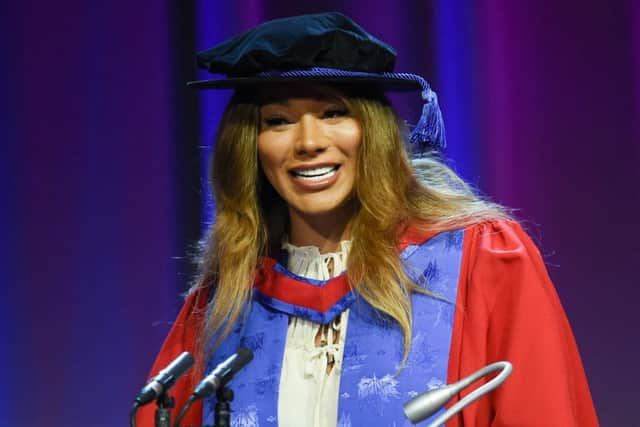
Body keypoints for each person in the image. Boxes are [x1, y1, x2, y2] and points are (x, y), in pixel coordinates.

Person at [137, 12, 598, 427]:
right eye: (278, 121)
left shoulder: (481, 261)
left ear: (373, 131)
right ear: (250, 148)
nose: (308, 142)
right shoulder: (228, 299)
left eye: (334, 112)